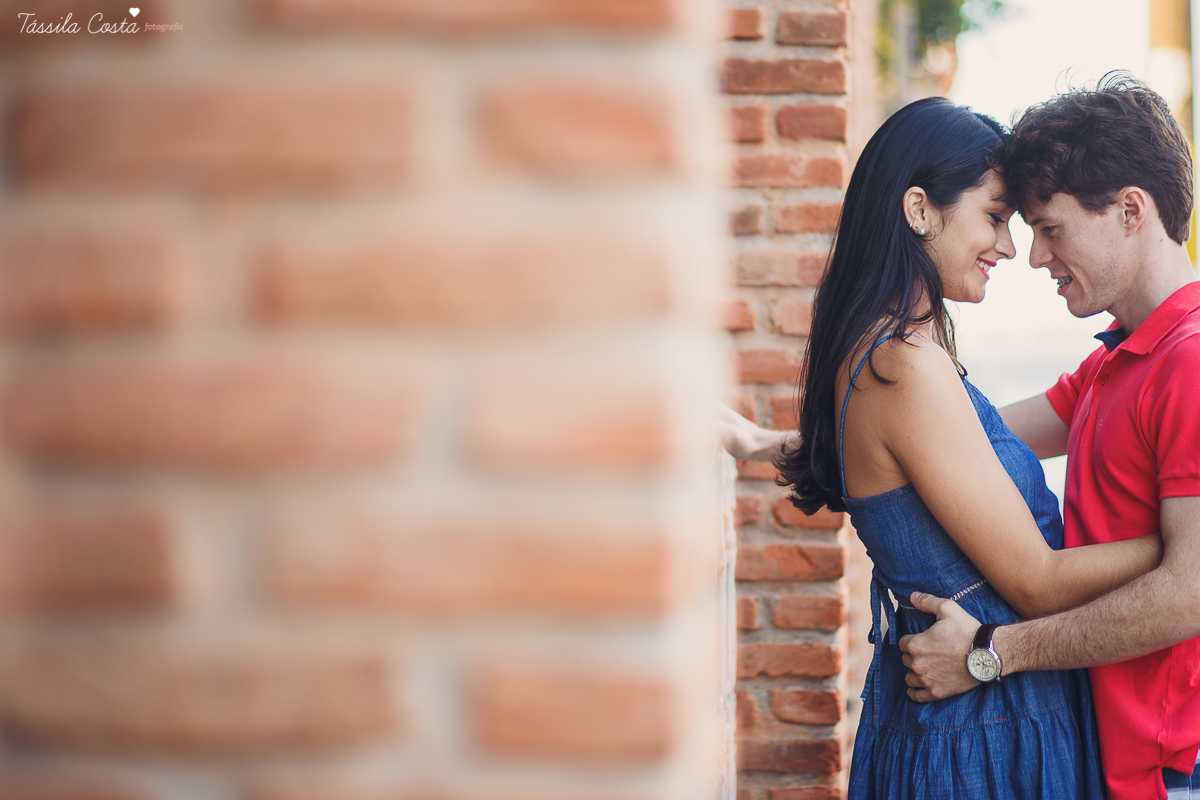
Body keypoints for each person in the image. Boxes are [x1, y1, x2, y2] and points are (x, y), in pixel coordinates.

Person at [721, 95, 1163, 799]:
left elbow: (941, 454)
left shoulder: (895, 353)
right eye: (994, 218)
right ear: (920, 209)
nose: (1011, 248)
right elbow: (1037, 580)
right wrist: (1174, 549)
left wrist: (769, 442)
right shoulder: (903, 362)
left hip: (969, 715)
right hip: (984, 730)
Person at [898, 78, 1200, 800]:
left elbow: (1192, 592)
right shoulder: (1118, 361)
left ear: (1132, 211)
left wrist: (990, 654)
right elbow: (960, 435)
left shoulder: (1190, 361)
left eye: (1051, 228)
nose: (1034, 258)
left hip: (1171, 772)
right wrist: (788, 442)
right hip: (1113, 764)